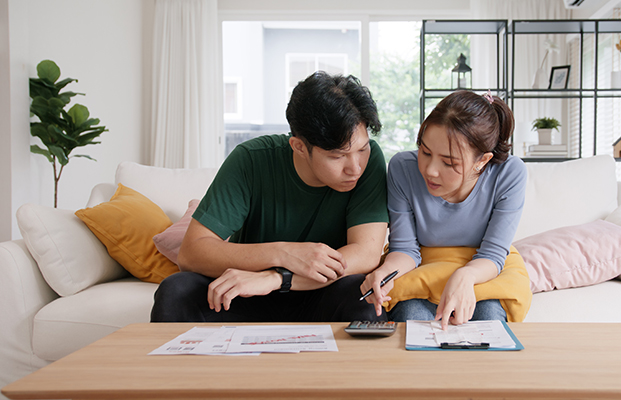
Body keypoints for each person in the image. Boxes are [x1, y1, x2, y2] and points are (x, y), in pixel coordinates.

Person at [151, 71, 389, 323]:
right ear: (298, 147)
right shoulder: (251, 159)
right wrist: (283, 253)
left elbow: (365, 253)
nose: (355, 167)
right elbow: (192, 253)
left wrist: (278, 278)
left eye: (361, 149)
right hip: (246, 293)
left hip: (320, 293)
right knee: (176, 290)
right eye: (337, 156)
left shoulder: (370, 160)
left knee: (363, 300)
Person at [360, 90, 532, 329]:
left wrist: (465, 276)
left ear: (482, 161)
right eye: (425, 151)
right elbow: (406, 249)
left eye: (449, 163)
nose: (430, 170)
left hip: (484, 268)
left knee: (489, 319)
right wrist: (385, 272)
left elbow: (493, 254)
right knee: (411, 319)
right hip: (423, 267)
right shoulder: (402, 168)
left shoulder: (510, 173)